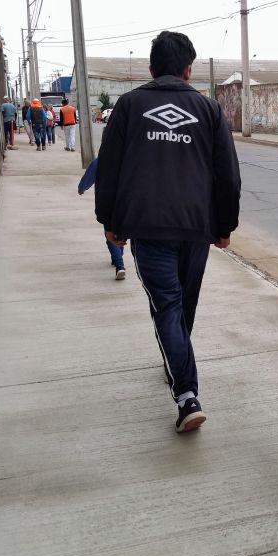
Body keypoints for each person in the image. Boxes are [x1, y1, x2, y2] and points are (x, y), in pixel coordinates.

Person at [95, 30, 241, 433]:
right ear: (188, 69)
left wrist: (110, 223)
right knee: (181, 305)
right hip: (196, 228)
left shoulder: (128, 106)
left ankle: (186, 395)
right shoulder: (209, 111)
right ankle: (178, 367)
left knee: (169, 309)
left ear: (151, 68)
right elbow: (227, 175)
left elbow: (108, 171)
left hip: (149, 227)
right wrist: (225, 226)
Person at [78, 158, 127, 280]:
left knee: (110, 233)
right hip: (125, 202)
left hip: (107, 203)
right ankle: (118, 256)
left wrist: (81, 188)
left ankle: (119, 264)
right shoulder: (127, 158)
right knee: (119, 232)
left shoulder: (100, 161)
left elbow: (89, 176)